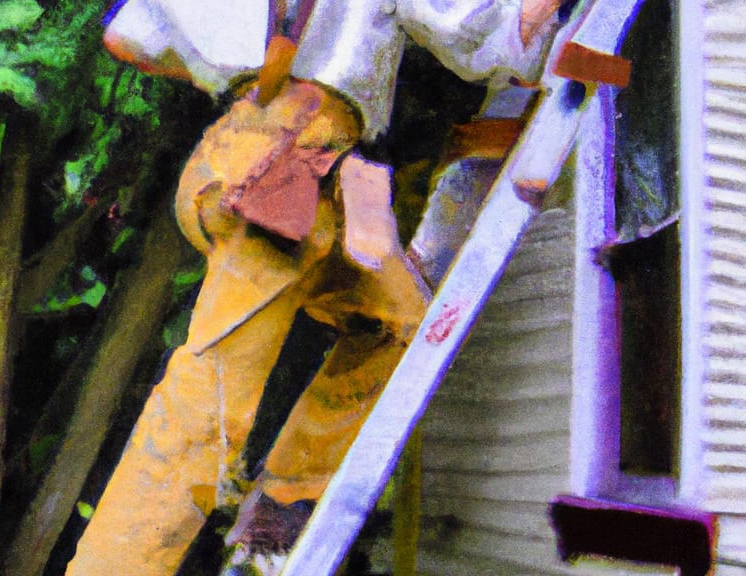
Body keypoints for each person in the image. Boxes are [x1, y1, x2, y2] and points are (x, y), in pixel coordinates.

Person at [66, 1, 563, 574]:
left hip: (262, 152)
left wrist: (237, 75)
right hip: (284, 161)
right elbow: (472, 33)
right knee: (207, 405)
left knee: (397, 320)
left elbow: (126, 38)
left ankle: (285, 502)